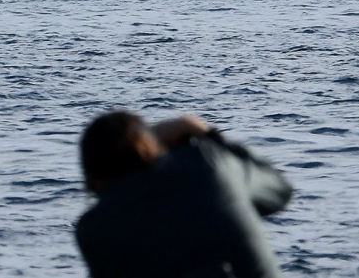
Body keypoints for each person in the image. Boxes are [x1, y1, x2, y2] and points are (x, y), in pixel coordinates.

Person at [76, 111, 292, 278]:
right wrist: (208, 136)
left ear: (93, 178)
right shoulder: (209, 165)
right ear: (154, 149)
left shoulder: (94, 230)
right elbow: (280, 189)